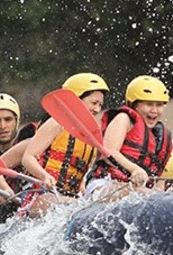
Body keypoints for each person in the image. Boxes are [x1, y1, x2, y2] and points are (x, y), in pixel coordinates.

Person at [14, 73, 108, 217]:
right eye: (94, 103)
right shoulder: (56, 123)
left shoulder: (90, 137)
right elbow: (28, 158)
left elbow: (79, 178)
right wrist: (44, 176)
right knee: (76, 207)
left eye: (100, 105)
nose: (97, 109)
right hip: (41, 195)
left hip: (69, 198)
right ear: (76, 100)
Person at [85, 75, 173, 200]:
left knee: (157, 196)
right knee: (145, 195)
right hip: (102, 185)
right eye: (149, 104)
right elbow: (108, 152)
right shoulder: (124, 119)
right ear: (134, 105)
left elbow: (159, 176)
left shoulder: (159, 136)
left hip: (134, 189)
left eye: (159, 105)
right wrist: (135, 169)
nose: (154, 110)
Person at [0, 93, 37, 225]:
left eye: (8, 119)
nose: (3, 126)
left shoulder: (32, 150)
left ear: (17, 122)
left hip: (28, 219)